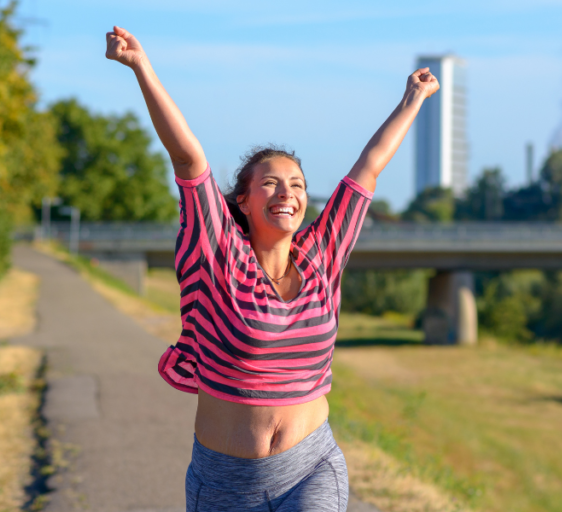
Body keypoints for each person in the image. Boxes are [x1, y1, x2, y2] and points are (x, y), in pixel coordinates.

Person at [104, 25, 439, 512]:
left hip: (311, 467)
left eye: (298, 185)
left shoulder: (322, 254)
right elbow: (189, 158)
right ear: (241, 200)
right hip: (224, 480)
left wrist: (413, 99)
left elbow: (368, 168)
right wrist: (141, 67)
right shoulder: (216, 253)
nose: (288, 193)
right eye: (271, 183)